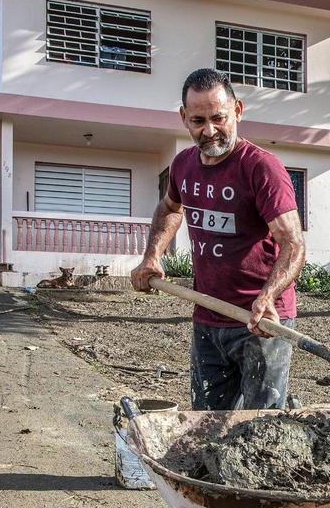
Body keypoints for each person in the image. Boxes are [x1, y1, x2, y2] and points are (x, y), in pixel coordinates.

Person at [130, 68, 306, 410]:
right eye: (198, 120)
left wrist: (268, 296)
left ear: (238, 111)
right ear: (184, 118)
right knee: (207, 423)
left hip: (262, 322)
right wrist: (153, 255)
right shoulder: (183, 165)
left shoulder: (261, 169)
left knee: (260, 429)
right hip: (209, 316)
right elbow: (169, 208)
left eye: (219, 118)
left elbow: (293, 243)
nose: (209, 131)